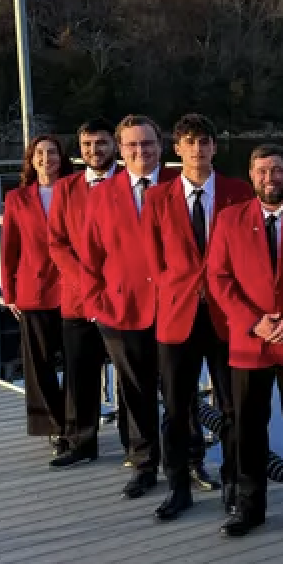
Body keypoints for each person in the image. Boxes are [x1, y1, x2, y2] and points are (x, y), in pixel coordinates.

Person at [207, 144, 283, 537]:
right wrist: (252, 322)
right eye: (261, 171)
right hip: (250, 343)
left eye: (277, 170)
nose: (269, 178)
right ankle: (249, 505)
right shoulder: (230, 219)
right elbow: (219, 278)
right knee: (248, 426)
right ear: (251, 175)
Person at [142, 113, 252, 522]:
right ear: (177, 148)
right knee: (175, 408)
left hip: (227, 317)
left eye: (204, 142)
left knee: (233, 407)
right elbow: (154, 260)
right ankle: (178, 487)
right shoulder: (158, 198)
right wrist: (180, 289)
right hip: (178, 317)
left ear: (214, 147)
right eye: (189, 142)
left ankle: (233, 484)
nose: (198, 149)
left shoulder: (238, 192)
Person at [81, 114, 178, 499]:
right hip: (121, 310)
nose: (141, 151)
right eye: (132, 145)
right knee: (135, 391)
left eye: (148, 143)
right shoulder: (102, 194)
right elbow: (90, 256)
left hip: (173, 308)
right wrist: (96, 305)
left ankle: (187, 460)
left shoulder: (179, 186)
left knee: (179, 390)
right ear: (120, 149)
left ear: (161, 145)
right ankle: (143, 463)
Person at [47, 119, 129, 468]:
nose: (94, 150)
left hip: (124, 298)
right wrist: (86, 282)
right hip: (79, 298)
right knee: (79, 372)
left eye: (101, 143)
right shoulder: (66, 188)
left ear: (115, 145)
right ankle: (81, 442)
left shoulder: (131, 183)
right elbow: (57, 243)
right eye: (87, 145)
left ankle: (135, 444)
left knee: (130, 374)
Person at [1, 133, 75, 457]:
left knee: (75, 362)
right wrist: (9, 291)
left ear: (62, 157)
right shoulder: (17, 199)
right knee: (39, 364)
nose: (47, 159)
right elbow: (9, 248)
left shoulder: (75, 190)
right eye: (40, 153)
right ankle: (54, 427)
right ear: (31, 160)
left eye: (52, 152)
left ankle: (76, 424)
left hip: (72, 289)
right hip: (34, 290)